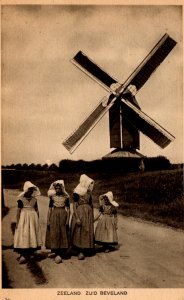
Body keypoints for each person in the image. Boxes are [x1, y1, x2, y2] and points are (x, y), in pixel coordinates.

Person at [14, 181, 42, 264]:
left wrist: (37, 219)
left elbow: (37, 210)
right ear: (26, 190)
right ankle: (23, 253)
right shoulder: (20, 200)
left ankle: (31, 251)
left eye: (32, 191)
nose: (30, 192)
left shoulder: (34, 200)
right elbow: (18, 211)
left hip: (33, 217)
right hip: (24, 218)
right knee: (24, 233)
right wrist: (17, 222)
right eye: (29, 190)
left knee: (32, 233)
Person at [45, 180, 70, 264]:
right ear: (54, 189)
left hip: (63, 215)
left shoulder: (66, 197)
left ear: (62, 189)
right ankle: (55, 251)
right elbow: (49, 209)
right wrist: (48, 220)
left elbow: (69, 210)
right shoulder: (52, 197)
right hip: (54, 215)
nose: (58, 190)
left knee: (62, 232)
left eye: (59, 188)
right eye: (56, 188)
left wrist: (67, 220)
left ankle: (62, 251)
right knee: (55, 232)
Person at [70, 174, 94, 260]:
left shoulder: (89, 192)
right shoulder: (77, 192)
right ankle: (79, 250)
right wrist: (77, 217)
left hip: (88, 214)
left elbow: (91, 205)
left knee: (86, 230)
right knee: (78, 230)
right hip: (79, 213)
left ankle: (85, 249)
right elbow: (74, 205)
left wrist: (92, 216)